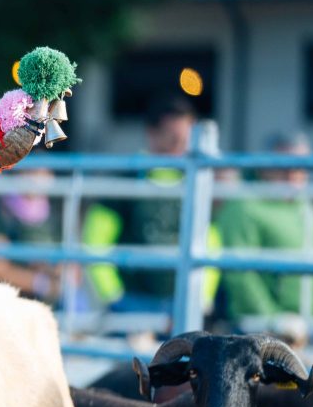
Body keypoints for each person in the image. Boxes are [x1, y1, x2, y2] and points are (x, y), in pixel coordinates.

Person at [82, 93, 220, 315]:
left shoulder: (196, 184)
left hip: (183, 305)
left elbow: (210, 244)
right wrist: (114, 297)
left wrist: (203, 298)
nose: (184, 148)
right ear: (151, 134)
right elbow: (94, 241)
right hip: (133, 305)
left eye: (188, 141)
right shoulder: (124, 182)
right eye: (175, 139)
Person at [215, 132, 313, 320]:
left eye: (302, 168)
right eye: (284, 167)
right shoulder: (242, 206)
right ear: (264, 168)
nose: (293, 175)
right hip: (263, 334)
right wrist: (272, 321)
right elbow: (239, 275)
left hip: (312, 326)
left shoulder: (307, 208)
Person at [0, 168, 63, 303]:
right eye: (33, 172)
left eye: (45, 171)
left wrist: (55, 272)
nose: (38, 179)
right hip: (3, 305)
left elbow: (71, 270)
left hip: (40, 308)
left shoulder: (53, 217)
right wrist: (40, 283)